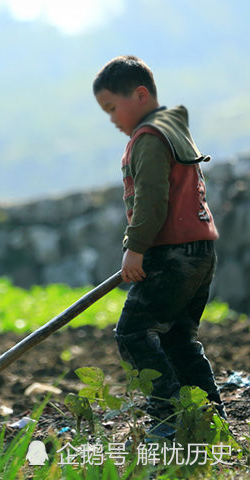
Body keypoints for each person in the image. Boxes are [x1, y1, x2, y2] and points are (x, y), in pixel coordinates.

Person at [92, 55, 224, 438]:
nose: (113, 119)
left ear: (140, 94)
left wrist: (135, 248)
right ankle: (208, 416)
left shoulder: (149, 138)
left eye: (113, 107)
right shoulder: (176, 131)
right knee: (178, 338)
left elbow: (151, 199)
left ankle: (166, 418)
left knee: (132, 333)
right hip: (201, 250)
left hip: (171, 253)